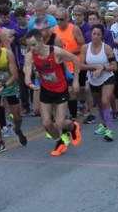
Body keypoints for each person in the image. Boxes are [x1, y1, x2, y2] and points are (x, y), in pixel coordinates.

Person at [23, 28, 81, 157]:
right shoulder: (30, 56)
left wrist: (76, 81)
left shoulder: (55, 52)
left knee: (60, 123)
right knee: (46, 123)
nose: (31, 48)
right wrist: (29, 83)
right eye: (29, 45)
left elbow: (74, 59)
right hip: (46, 89)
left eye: (34, 44)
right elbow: (27, 72)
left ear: (41, 41)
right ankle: (59, 141)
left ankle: (73, 127)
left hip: (60, 90)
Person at [79, 24, 117, 141]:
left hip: (107, 78)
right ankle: (104, 125)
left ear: (102, 35)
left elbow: (115, 67)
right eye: (94, 34)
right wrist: (96, 66)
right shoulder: (85, 48)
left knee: (105, 101)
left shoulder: (106, 48)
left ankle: (109, 130)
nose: (95, 37)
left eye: (98, 34)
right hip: (93, 79)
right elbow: (80, 65)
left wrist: (103, 68)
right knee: (100, 103)